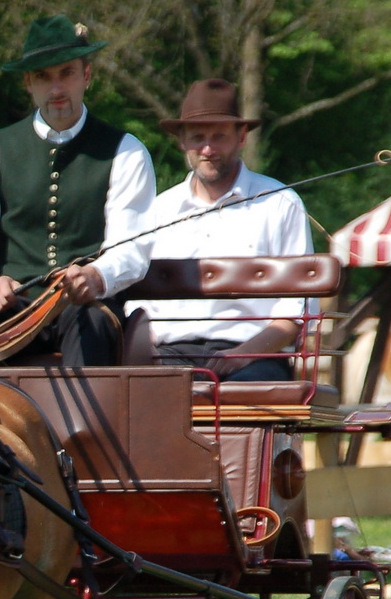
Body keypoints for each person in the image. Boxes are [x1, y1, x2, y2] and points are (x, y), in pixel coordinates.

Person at [0, 14, 155, 366]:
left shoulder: (126, 151)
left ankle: (83, 424)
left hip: (84, 309)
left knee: (92, 320)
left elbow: (131, 249)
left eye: (66, 73)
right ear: (28, 82)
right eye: (43, 76)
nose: (56, 89)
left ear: (86, 76)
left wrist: (95, 276)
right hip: (10, 312)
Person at [127, 78, 312, 382]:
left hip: (255, 356)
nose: (208, 148)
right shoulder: (158, 211)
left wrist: (242, 355)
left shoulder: (280, 204)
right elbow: (137, 308)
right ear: (182, 141)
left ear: (241, 137)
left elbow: (296, 310)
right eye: (198, 137)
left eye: (219, 137)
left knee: (247, 389)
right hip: (170, 355)